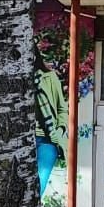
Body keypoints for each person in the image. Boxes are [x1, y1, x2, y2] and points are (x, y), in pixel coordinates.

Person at [35, 57, 68, 197]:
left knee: (39, 186)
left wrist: (60, 130)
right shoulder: (15, 80)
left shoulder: (49, 77)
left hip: (47, 139)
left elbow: (62, 108)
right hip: (22, 140)